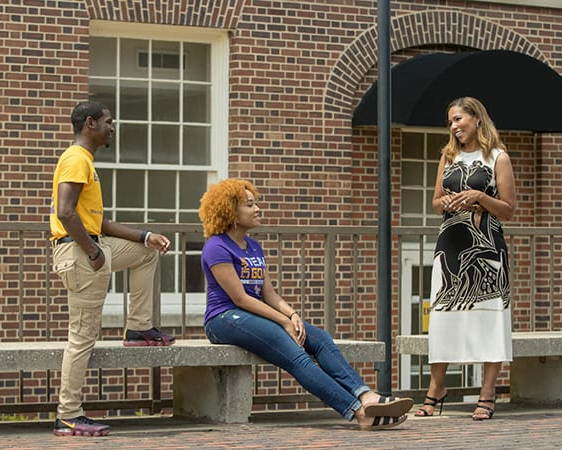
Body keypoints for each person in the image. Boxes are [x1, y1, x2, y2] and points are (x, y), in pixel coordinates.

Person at [198, 178, 413, 431]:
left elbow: (269, 293)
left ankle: (366, 395)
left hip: (253, 315)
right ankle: (359, 412)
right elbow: (240, 298)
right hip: (224, 319)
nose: (258, 209)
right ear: (231, 212)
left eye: (255, 203)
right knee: (295, 354)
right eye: (250, 205)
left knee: (320, 338)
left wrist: (293, 315)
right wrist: (283, 322)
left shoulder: (253, 247)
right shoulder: (216, 247)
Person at [49, 101, 176, 436]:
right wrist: (92, 252)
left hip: (92, 246)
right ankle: (68, 415)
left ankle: (138, 328)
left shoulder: (84, 162)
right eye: (108, 122)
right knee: (82, 338)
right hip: (81, 252)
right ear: (90, 123)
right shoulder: (76, 159)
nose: (113, 128)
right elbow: (65, 213)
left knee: (145, 253)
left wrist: (145, 236)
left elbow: (97, 221)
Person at [415, 97, 516, 421]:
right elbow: (435, 202)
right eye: (450, 122)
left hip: (487, 248)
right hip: (450, 245)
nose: (454, 126)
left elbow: (509, 209)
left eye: (458, 119)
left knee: (489, 321)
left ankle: (488, 393)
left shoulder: (498, 157)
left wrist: (480, 197)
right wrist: (446, 202)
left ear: (476, 119)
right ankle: (436, 389)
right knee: (443, 319)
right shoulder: (448, 156)